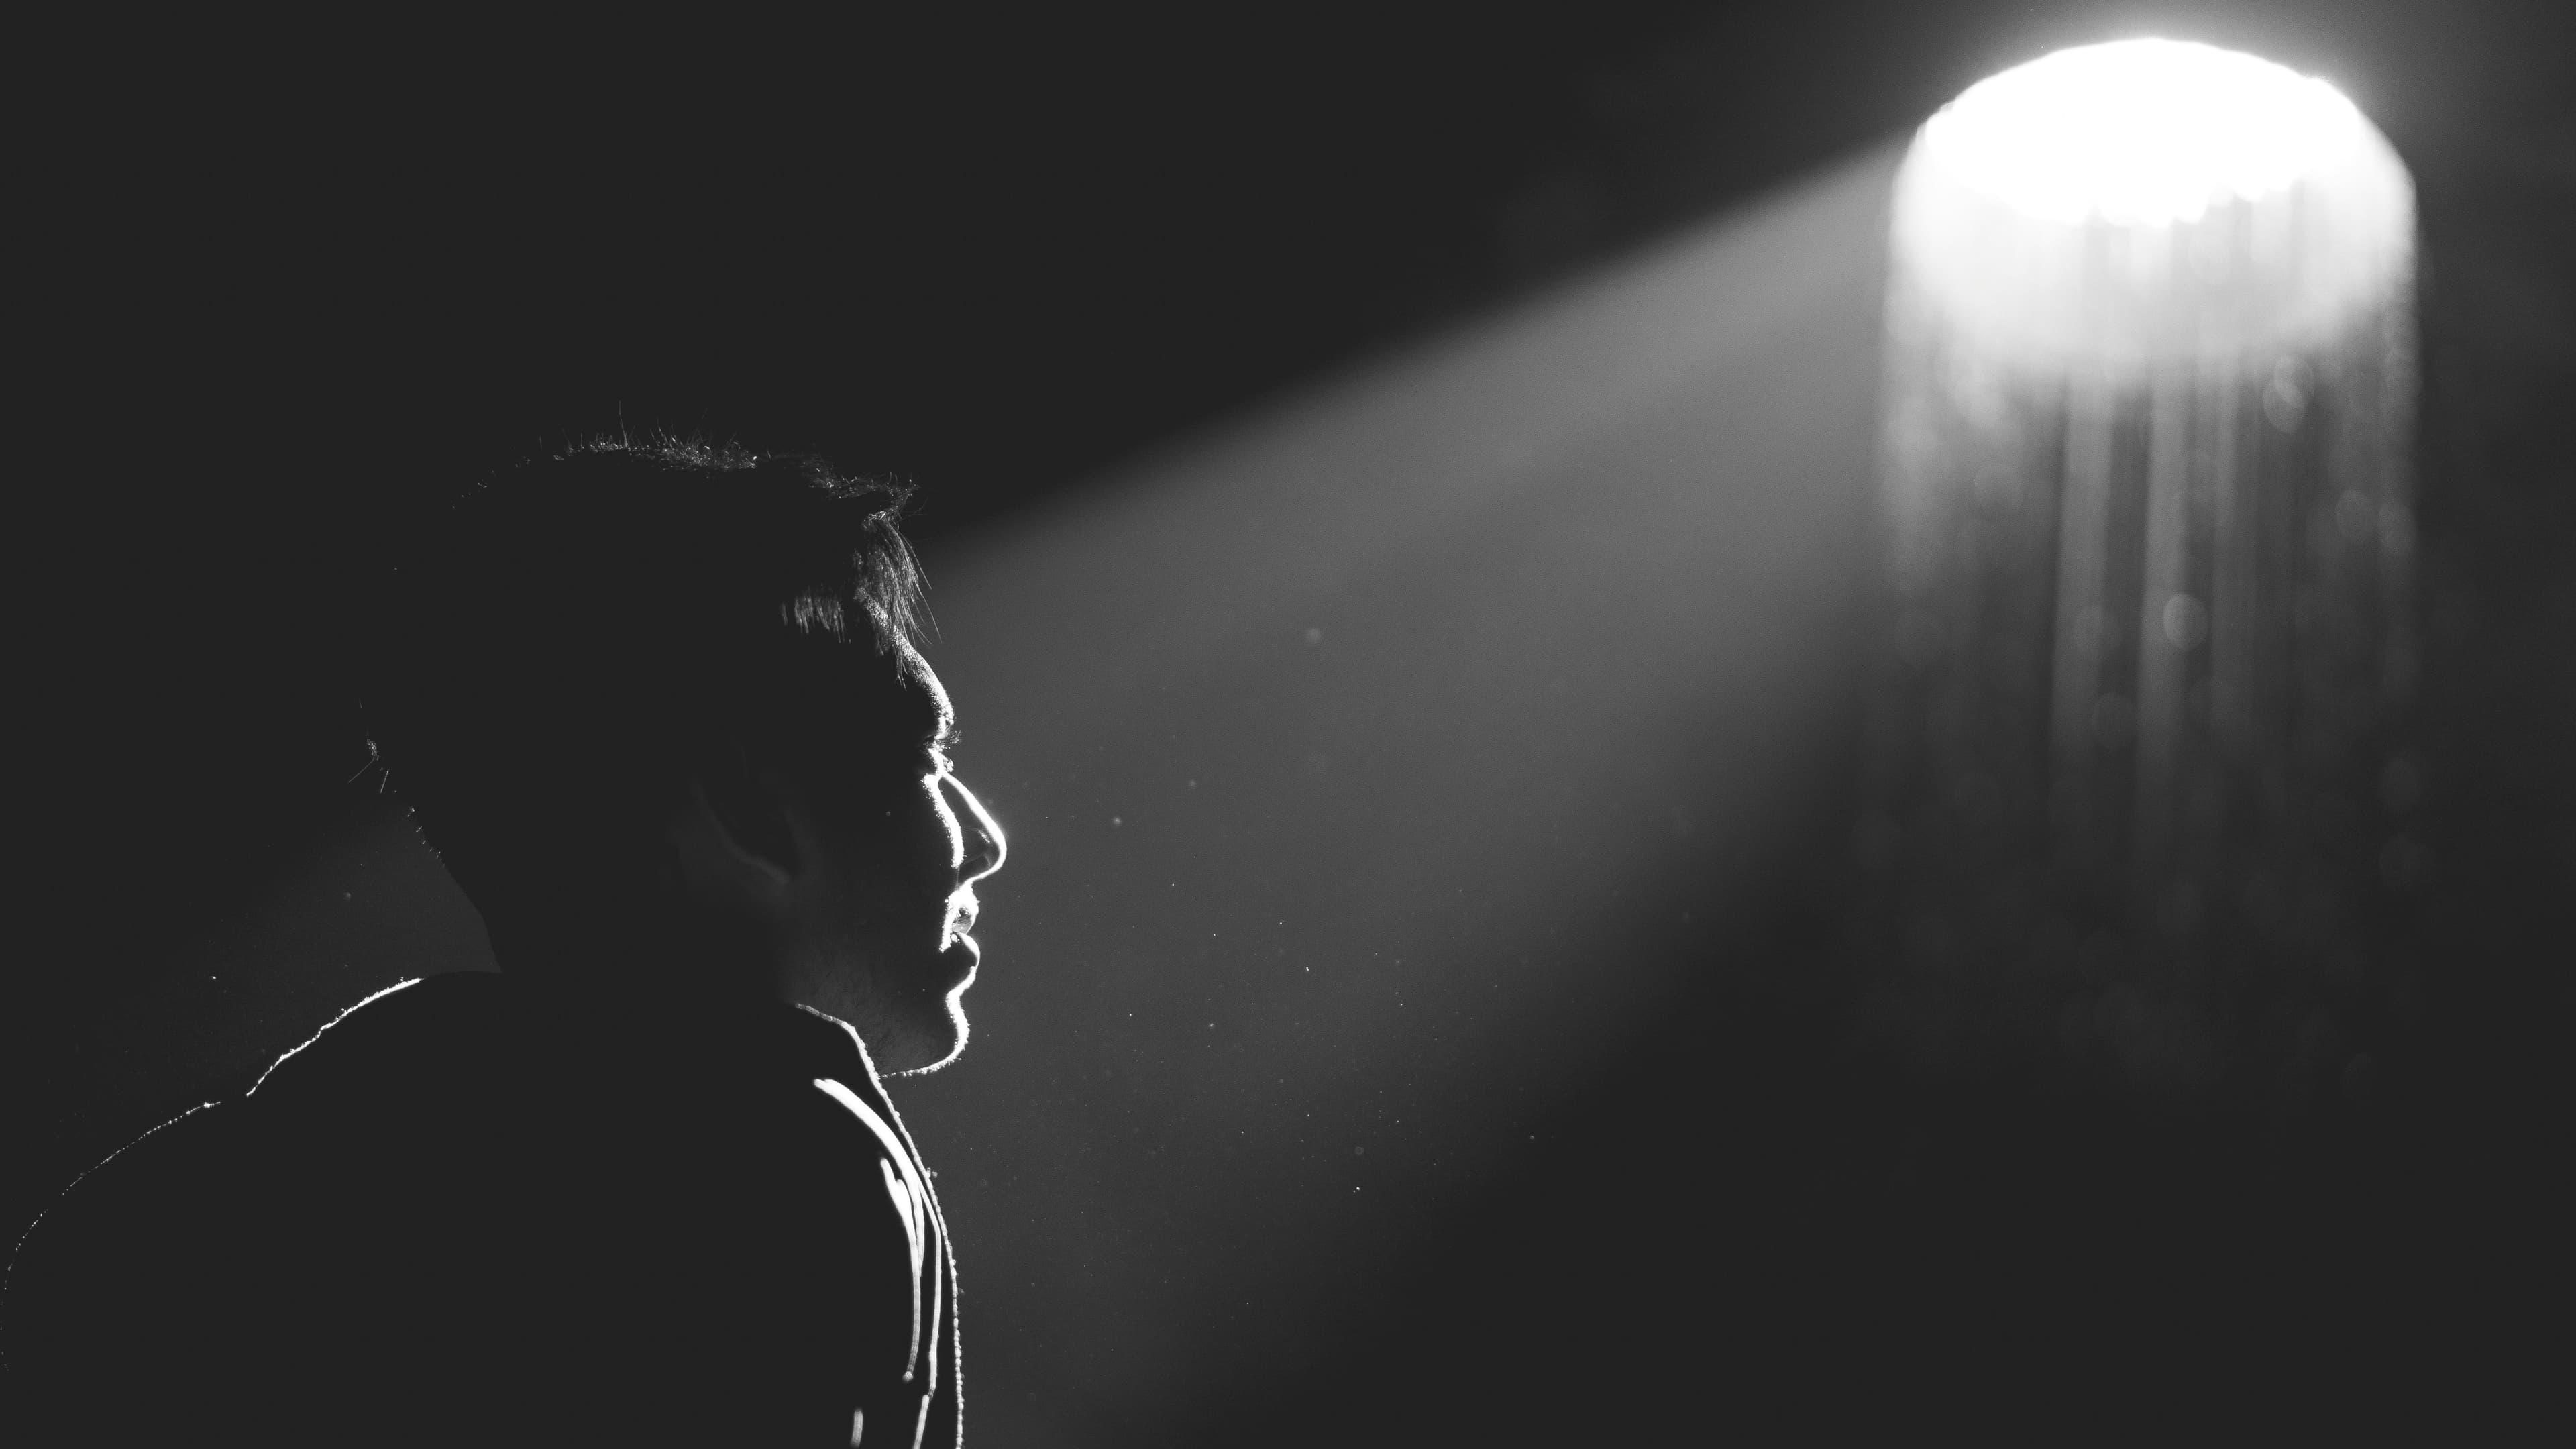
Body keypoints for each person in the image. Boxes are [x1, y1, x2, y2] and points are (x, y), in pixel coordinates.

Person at [4, 437, 1005, 1447]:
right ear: (745, 811)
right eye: (925, 762)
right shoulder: (781, 1175)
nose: (984, 842)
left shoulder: (162, 1218)